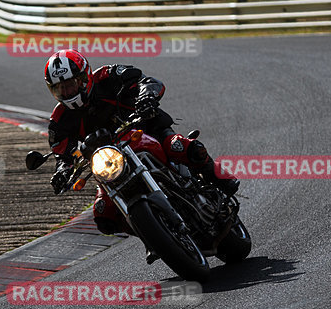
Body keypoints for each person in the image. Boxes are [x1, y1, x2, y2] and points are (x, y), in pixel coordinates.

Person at [43, 48, 239, 239]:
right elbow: (62, 152)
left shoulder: (107, 75)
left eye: (71, 84)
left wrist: (146, 96)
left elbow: (146, 81)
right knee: (104, 216)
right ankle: (154, 235)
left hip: (146, 129)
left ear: (84, 78)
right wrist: (63, 170)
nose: (67, 91)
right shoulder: (59, 119)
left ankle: (218, 177)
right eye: (60, 88)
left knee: (183, 147)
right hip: (110, 161)